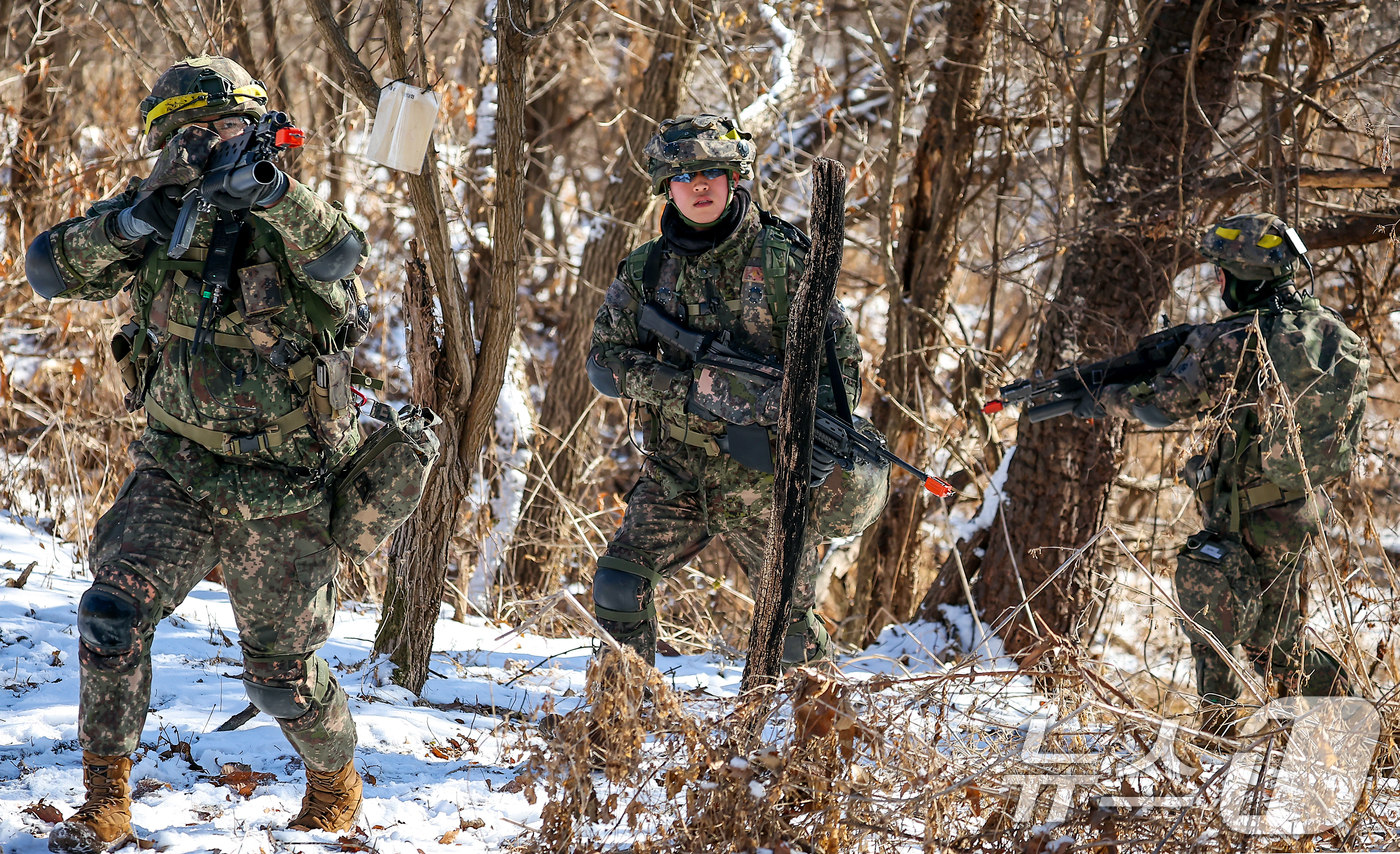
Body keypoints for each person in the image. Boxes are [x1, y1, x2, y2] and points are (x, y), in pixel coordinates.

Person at [26, 56, 372, 851]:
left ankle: (333, 781)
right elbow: (48, 269)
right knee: (110, 614)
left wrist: (274, 196)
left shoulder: (294, 212)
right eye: (187, 132)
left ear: (254, 125)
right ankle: (106, 801)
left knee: (279, 677)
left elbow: (342, 261)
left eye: (221, 126)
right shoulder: (154, 211)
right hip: (178, 468)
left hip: (284, 482)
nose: (208, 144)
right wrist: (130, 223)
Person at [585, 114, 872, 667]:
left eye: (711, 173)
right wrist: (685, 387)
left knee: (790, 635)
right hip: (676, 469)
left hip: (764, 481)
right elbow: (603, 363)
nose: (698, 186)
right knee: (619, 587)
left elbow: (842, 371)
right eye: (684, 175)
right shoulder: (647, 269)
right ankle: (623, 726)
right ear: (664, 186)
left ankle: (810, 743)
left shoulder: (786, 262)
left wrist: (806, 440)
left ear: (735, 178)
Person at [1085, 213, 1369, 737]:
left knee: (1216, 626)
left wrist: (1107, 397)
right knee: (1280, 648)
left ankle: (1218, 744)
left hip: (1243, 513)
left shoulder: (1237, 337)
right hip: (1297, 511)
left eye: (1221, 273)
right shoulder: (1332, 331)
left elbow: (1166, 406)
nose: (1218, 284)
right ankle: (1364, 734)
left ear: (1243, 277)